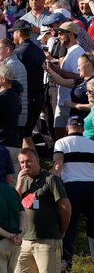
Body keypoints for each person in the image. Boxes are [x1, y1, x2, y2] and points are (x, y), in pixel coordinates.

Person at [15, 148, 71, 273]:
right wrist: (18, 185)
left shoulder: (50, 179)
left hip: (48, 241)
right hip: (25, 242)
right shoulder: (22, 181)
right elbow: (14, 207)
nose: (25, 165)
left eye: (29, 161)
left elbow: (65, 207)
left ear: (37, 160)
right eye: (22, 162)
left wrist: (61, 231)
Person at [52, 115, 94, 271]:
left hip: (71, 188)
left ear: (67, 127)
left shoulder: (61, 143)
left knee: (68, 227)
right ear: (82, 128)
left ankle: (65, 264)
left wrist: (52, 186)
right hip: (92, 187)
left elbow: (57, 166)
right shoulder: (92, 144)